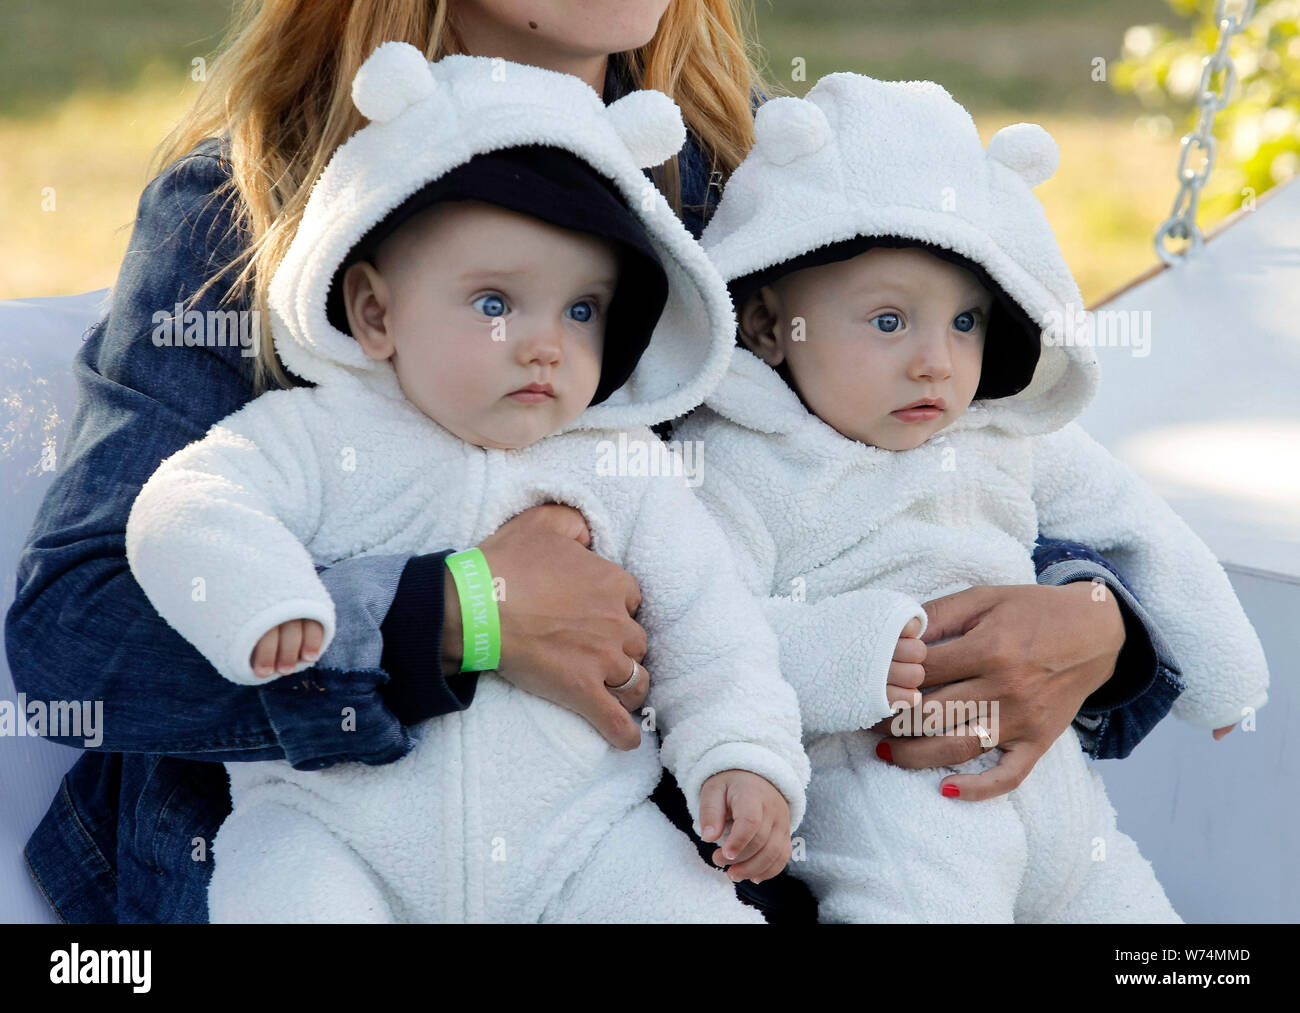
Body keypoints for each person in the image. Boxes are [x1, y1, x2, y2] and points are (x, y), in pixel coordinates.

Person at [6, 0, 1182, 924]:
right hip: (310, 852)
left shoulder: (762, 180)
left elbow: (963, 441)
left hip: (684, 846)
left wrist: (1095, 618)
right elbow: (77, 627)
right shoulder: (251, 198)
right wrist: (452, 611)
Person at [123, 45, 809, 923]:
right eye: (495, 303)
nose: (545, 344)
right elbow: (186, 505)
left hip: (580, 839)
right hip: (335, 825)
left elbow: (716, 629)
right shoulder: (319, 435)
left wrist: (743, 757)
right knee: (288, 893)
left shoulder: (621, 465)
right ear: (376, 312)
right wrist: (263, 599)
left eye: (581, 308)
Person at [675, 73, 1270, 922]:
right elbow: (702, 630)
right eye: (888, 321)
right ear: (769, 326)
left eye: (966, 322)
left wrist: (1223, 674)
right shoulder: (740, 461)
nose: (936, 362)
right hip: (903, 793)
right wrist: (854, 651)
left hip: (1059, 795)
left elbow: (1135, 524)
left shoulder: (1000, 434)